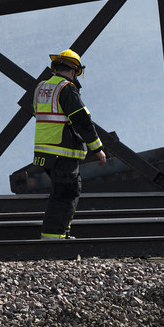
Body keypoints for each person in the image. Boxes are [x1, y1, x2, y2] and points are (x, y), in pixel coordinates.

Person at [31, 49, 107, 240]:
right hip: (62, 151)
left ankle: (60, 234)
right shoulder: (66, 89)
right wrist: (97, 148)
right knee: (66, 193)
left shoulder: (41, 87)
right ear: (74, 71)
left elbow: (38, 113)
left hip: (45, 151)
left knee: (63, 191)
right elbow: (82, 121)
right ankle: (54, 238)